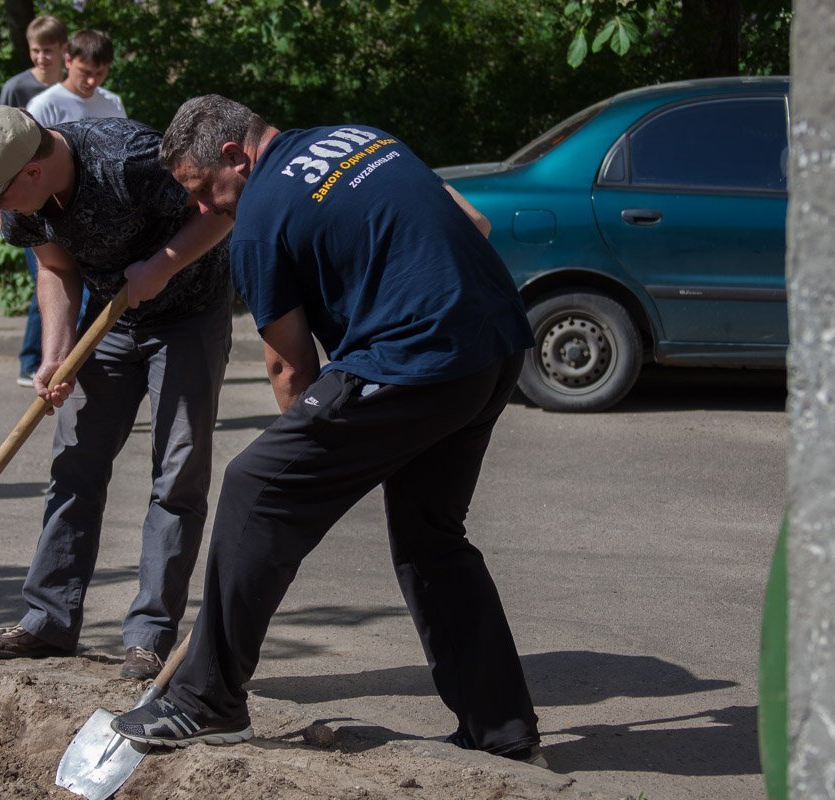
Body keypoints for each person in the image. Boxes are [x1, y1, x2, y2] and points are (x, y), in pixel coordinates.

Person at [111, 95, 545, 765]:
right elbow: (475, 223)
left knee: (257, 485)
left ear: (235, 156)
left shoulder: (258, 217)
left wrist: (309, 474)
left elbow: (290, 367)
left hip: (416, 359)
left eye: (204, 192)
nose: (204, 211)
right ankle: (501, 731)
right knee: (432, 539)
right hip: (493, 343)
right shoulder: (361, 136)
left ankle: (207, 703)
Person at [0, 105, 234, 680]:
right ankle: (48, 619)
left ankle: (149, 636)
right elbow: (54, 266)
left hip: (186, 316)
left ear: (31, 171)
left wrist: (164, 264)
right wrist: (57, 349)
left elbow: (221, 209)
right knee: (74, 462)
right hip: (109, 318)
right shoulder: (22, 202)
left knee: (176, 475)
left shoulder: (128, 160)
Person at [0, 15, 69, 388]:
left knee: (61, 278)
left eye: (48, 51)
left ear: (63, 51)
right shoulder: (17, 88)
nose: (42, 58)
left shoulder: (68, 87)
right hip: (27, 198)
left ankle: (57, 357)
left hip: (63, 199)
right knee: (46, 278)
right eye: (36, 51)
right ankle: (31, 359)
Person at [26, 29, 125, 127]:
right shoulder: (44, 106)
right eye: (85, 72)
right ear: (68, 60)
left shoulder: (113, 103)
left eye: (100, 73)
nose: (92, 81)